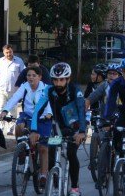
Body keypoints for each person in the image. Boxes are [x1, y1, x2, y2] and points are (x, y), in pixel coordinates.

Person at [30, 63, 87, 196]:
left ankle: (74, 188)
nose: (58, 83)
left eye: (61, 79)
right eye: (55, 80)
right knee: (51, 155)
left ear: (68, 79)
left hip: (76, 129)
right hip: (59, 128)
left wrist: (82, 132)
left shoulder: (75, 90)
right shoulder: (49, 91)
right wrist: (34, 130)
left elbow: (81, 111)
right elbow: (37, 110)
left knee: (71, 154)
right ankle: (54, 187)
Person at [0, 66, 50, 138]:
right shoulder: (24, 86)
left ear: (40, 77)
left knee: (42, 148)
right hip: (27, 115)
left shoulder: (46, 88)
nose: (31, 77)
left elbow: (50, 103)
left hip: (43, 118)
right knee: (19, 127)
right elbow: (14, 99)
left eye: (34, 75)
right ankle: (20, 145)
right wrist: (5, 111)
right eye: (28, 75)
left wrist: (49, 114)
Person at [0, 45, 26, 124]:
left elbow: (24, 75)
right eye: (6, 52)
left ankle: (11, 128)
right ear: (3, 53)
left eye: (10, 52)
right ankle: (0, 128)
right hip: (1, 90)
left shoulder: (19, 61)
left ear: (12, 51)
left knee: (12, 111)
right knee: (0, 109)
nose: (8, 54)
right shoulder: (0, 61)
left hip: (14, 91)